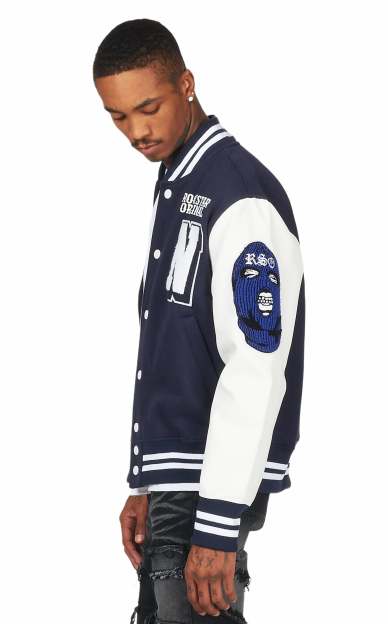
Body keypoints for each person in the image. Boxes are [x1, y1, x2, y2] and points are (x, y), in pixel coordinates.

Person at [92, 18, 305, 624]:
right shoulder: (179, 183)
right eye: (118, 116)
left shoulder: (236, 194)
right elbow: (175, 349)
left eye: (148, 108)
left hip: (210, 480)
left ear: (186, 84)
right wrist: (145, 482)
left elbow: (257, 364)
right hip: (179, 479)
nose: (137, 131)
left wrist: (216, 524)